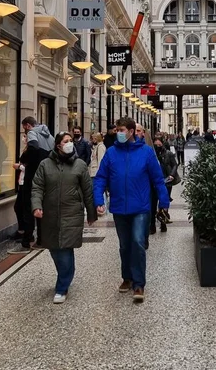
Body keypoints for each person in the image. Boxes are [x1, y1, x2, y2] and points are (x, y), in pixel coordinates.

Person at [93, 117, 170, 303]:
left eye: (121, 130)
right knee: (124, 245)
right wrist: (98, 200)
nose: (117, 133)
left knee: (137, 242)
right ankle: (126, 277)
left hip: (141, 207)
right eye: (117, 130)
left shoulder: (146, 153)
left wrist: (163, 202)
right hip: (119, 207)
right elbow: (101, 178)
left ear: (131, 131)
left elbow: (157, 179)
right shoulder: (111, 153)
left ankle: (138, 283)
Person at [31, 132, 97, 303]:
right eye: (65, 141)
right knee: (55, 249)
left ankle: (62, 287)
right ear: (58, 145)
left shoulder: (80, 165)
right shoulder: (45, 165)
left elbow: (87, 191)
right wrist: (36, 206)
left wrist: (91, 213)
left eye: (71, 141)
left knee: (65, 249)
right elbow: (37, 187)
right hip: (50, 215)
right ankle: (64, 275)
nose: (70, 143)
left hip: (72, 213)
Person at [15, 116, 55, 252]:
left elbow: (33, 148)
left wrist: (23, 159)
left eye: (23, 129)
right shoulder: (49, 135)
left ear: (27, 126)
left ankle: (26, 240)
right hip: (46, 177)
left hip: (32, 176)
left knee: (28, 208)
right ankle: (41, 239)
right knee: (40, 207)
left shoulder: (32, 133)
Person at [152, 138, 179, 233]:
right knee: (154, 202)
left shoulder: (168, 154)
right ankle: (154, 223)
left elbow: (175, 165)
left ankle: (163, 221)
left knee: (164, 202)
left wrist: (172, 174)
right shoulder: (152, 155)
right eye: (155, 145)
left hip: (167, 181)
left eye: (159, 145)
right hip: (155, 181)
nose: (157, 147)